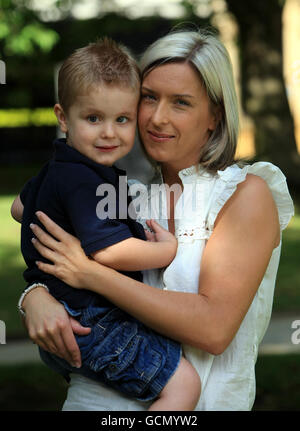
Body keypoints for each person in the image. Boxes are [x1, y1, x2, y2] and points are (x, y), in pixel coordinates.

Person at [15, 29, 294, 411]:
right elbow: (37, 224)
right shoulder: (127, 196)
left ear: (214, 115)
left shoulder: (245, 195)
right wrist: (34, 297)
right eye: (150, 97)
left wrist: (91, 274)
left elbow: (213, 329)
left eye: (181, 102)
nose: (158, 118)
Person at [11, 37, 201, 411]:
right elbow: (108, 251)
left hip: (69, 321)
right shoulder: (85, 181)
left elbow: (19, 208)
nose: (109, 133)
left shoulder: (60, 168)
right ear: (63, 117)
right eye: (93, 118)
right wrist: (165, 249)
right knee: (184, 386)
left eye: (122, 119)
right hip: (92, 322)